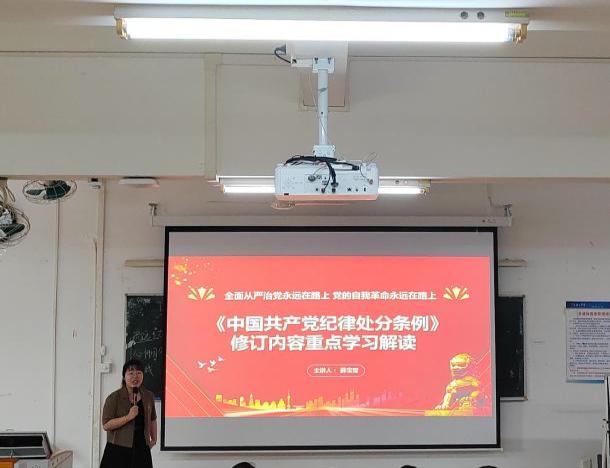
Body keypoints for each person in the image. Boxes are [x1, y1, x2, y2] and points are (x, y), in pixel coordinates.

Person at [100, 359, 157, 468]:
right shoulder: (114, 397)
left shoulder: (148, 396)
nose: (135, 376)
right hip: (117, 449)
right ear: (124, 377)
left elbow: (152, 418)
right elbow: (106, 425)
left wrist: (154, 439)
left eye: (139, 373)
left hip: (141, 448)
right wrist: (128, 417)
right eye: (131, 373)